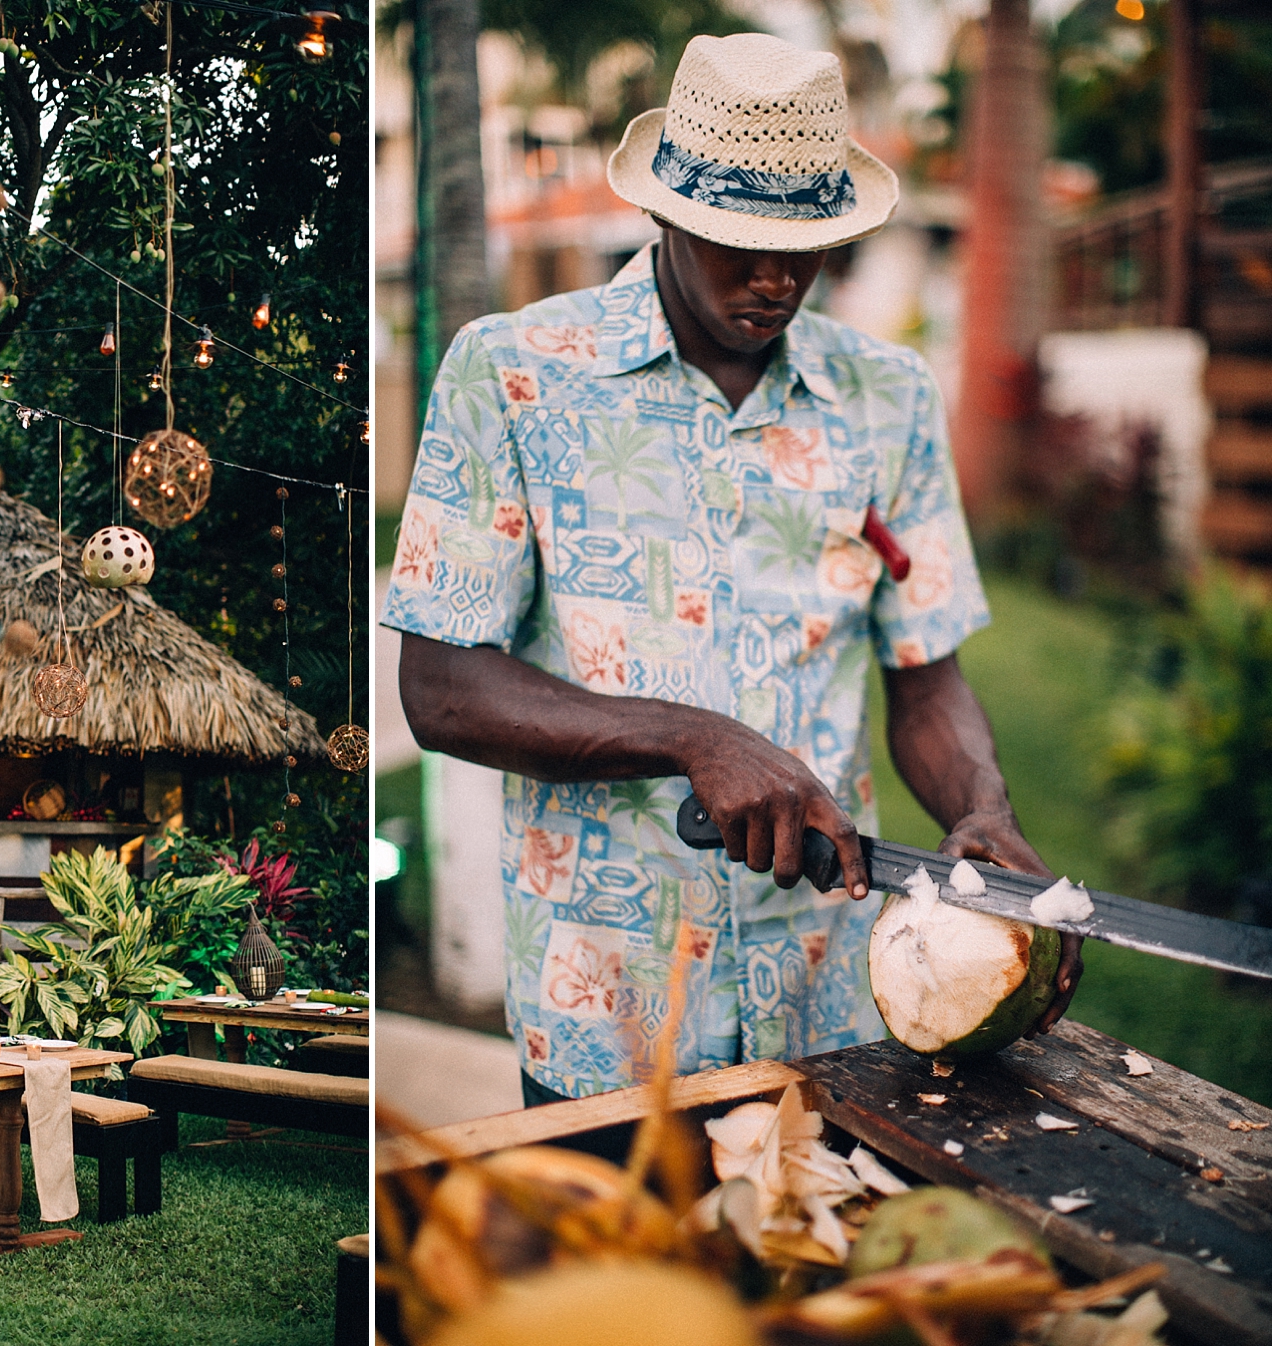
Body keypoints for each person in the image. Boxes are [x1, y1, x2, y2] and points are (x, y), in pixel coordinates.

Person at [382, 32, 1081, 1106]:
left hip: (835, 1009)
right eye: (736, 243)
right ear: (663, 209)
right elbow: (440, 687)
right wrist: (691, 737)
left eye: (806, 246)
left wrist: (978, 808)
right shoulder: (514, 373)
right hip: (608, 1020)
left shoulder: (887, 396)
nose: (775, 279)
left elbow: (926, 673)